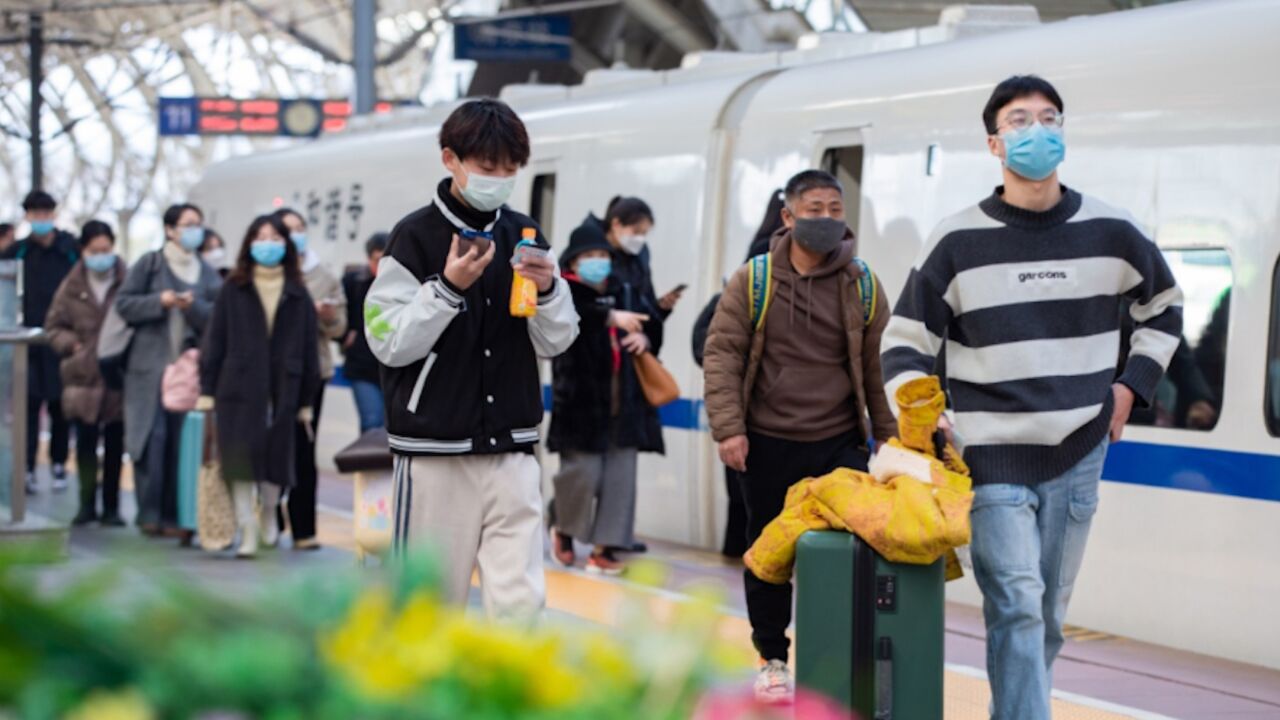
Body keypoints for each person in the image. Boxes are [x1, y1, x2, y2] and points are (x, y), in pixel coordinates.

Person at [880, 76, 1183, 720]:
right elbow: (904, 342)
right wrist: (923, 415)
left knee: (1045, 614)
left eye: (1050, 118)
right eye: (1019, 121)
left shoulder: (1113, 229)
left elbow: (1165, 309)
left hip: (1079, 449)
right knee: (1016, 601)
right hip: (988, 455)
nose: (1037, 131)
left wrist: (1134, 387)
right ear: (995, 144)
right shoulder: (956, 240)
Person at [364, 98, 579, 619]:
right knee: (428, 604)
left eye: (510, 169)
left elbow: (557, 341)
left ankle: (511, 698)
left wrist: (549, 292)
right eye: (487, 168)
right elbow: (387, 340)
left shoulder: (526, 236)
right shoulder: (413, 237)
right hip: (434, 451)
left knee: (521, 601)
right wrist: (447, 289)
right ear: (450, 160)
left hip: (512, 451)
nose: (500, 179)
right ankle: (420, 700)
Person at [703, 169, 896, 704]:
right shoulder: (755, 279)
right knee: (768, 554)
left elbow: (879, 366)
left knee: (847, 555)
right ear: (788, 217)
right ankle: (771, 658)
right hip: (766, 441)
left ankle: (836, 655)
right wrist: (729, 429)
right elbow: (723, 354)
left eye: (836, 209)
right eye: (815, 209)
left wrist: (889, 437)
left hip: (839, 443)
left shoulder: (862, 283)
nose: (827, 219)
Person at [198, 214, 319, 558]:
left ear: (286, 246)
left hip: (285, 385)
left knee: (275, 460)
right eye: (261, 237)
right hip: (237, 386)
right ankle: (246, 529)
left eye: (275, 238)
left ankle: (268, 510)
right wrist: (207, 390)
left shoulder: (298, 294)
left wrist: (306, 400)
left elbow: (310, 350)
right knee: (239, 460)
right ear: (250, 244)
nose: (268, 244)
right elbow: (215, 341)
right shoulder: (233, 289)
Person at [547, 221, 663, 575]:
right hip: (580, 404)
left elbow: (651, 322)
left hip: (624, 402)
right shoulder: (562, 291)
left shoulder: (624, 290)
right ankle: (564, 531)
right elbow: (570, 321)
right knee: (582, 475)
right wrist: (609, 316)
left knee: (620, 479)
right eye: (590, 256)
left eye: (602, 255)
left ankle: (605, 549)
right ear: (573, 261)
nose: (598, 261)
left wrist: (645, 340)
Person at [116, 203, 221, 537]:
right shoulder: (149, 264)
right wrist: (158, 302)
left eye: (198, 224)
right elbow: (124, 304)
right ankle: (150, 513)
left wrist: (194, 308)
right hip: (148, 369)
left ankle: (179, 516)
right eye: (188, 224)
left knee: (183, 443)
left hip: (188, 372)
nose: (195, 230)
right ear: (170, 229)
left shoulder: (205, 271)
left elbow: (216, 318)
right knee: (150, 439)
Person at [691, 188, 785, 558]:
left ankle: (739, 558)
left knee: (744, 499)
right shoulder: (764, 268)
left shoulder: (744, 269)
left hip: (745, 413)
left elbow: (706, 348)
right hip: (762, 411)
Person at [44, 220, 127, 526]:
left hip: (116, 373)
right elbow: (53, 326)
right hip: (82, 376)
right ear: (83, 250)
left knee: (116, 444)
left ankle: (112, 507)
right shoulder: (72, 285)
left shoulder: (126, 279)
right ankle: (86, 504)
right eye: (95, 251)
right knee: (86, 444)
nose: (102, 256)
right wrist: (71, 346)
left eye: (107, 250)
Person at [275, 208, 348, 551]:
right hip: (270, 373)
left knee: (305, 448)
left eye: (300, 228)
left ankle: (304, 528)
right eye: (288, 229)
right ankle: (269, 518)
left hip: (311, 371)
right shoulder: (266, 273)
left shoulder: (323, 275)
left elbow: (339, 329)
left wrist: (328, 317)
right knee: (271, 444)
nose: (296, 235)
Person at [3, 191, 79, 495]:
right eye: (35, 214)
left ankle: (59, 463)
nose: (41, 220)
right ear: (27, 217)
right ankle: (28, 467)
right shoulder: (17, 252)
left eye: (46, 213)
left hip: (61, 340)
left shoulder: (70, 248)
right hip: (27, 344)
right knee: (29, 406)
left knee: (61, 405)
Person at [341, 232, 389, 433]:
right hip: (362, 365)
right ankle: (365, 464)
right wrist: (344, 337)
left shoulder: (406, 282)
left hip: (394, 367)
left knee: (391, 426)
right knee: (371, 421)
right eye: (378, 260)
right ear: (369, 258)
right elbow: (340, 314)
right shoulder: (354, 281)